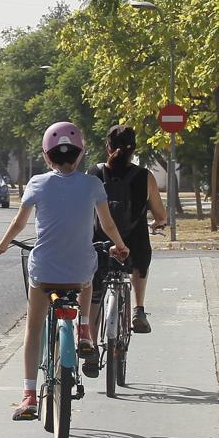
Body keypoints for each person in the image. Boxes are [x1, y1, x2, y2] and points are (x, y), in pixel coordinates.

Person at [0, 122, 129, 420]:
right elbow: (107, 225)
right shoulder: (93, 184)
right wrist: (119, 245)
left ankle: (28, 395)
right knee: (88, 274)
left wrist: (1, 245)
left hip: (44, 271)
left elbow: (18, 224)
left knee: (34, 327)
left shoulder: (37, 184)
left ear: (46, 155)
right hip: (79, 270)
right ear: (80, 155)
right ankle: (85, 330)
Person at [86, 125, 167, 379]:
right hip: (134, 245)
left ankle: (89, 345)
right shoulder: (145, 177)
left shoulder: (94, 173)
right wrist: (158, 223)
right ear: (134, 150)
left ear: (108, 147)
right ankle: (138, 310)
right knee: (141, 262)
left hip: (101, 243)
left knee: (95, 293)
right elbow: (160, 215)